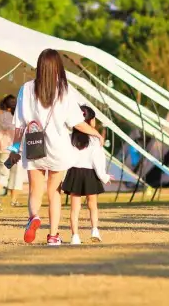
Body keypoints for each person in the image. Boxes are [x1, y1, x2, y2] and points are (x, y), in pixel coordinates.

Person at [9, 49, 102, 246]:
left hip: (34, 145)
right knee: (54, 192)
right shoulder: (63, 91)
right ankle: (53, 236)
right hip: (58, 147)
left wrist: (14, 148)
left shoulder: (26, 89)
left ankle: (33, 217)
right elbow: (76, 122)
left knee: (35, 190)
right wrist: (96, 133)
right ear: (58, 67)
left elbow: (19, 124)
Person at [63, 105, 111, 245]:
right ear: (91, 121)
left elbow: (66, 157)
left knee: (74, 209)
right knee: (93, 205)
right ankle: (95, 230)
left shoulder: (69, 137)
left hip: (74, 173)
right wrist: (104, 176)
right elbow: (98, 161)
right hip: (90, 173)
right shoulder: (95, 139)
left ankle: (75, 237)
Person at [0, 95, 21, 210]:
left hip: (4, 149)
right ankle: (13, 200)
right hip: (16, 148)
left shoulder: (0, 115)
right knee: (16, 174)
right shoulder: (18, 115)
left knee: (3, 173)